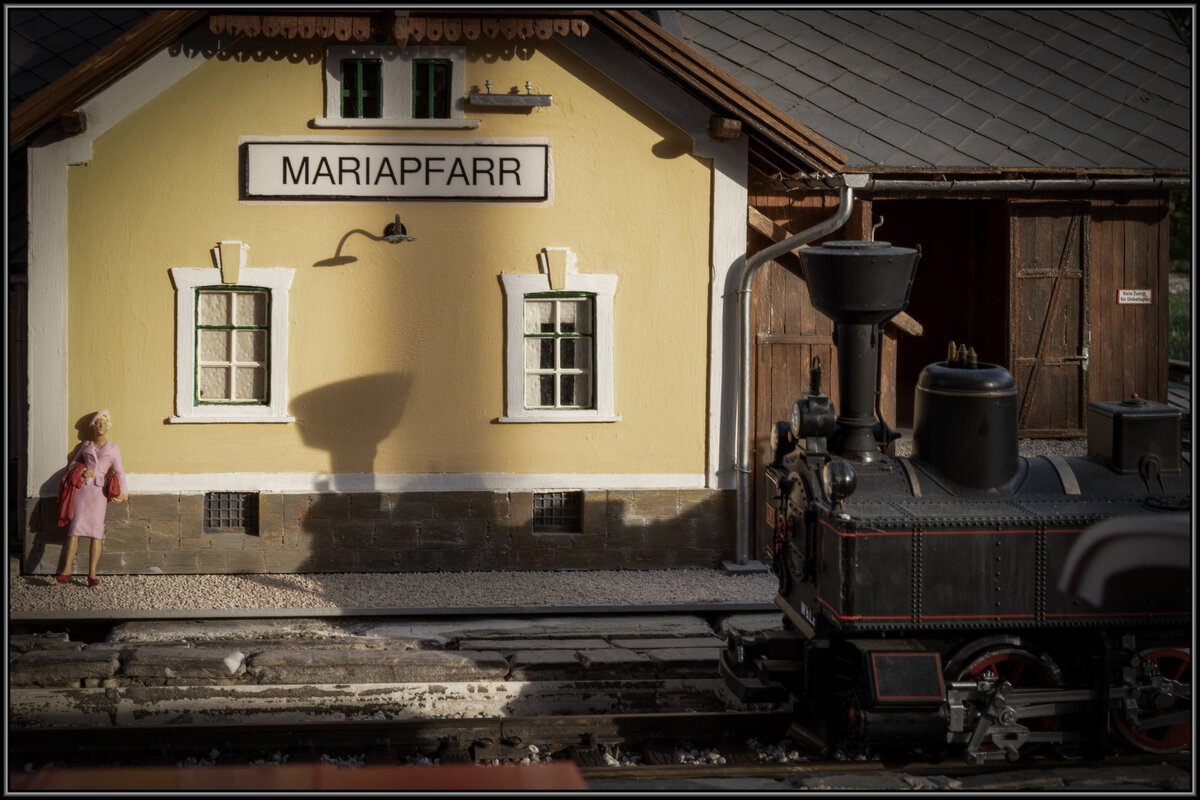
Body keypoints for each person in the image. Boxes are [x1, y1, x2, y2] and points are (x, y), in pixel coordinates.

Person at [57, 409, 126, 587]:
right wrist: (81, 470)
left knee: (96, 532)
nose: (101, 424)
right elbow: (72, 464)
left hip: (99, 492)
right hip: (83, 491)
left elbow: (119, 471)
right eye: (98, 422)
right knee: (75, 529)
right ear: (93, 426)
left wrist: (123, 492)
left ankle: (92, 573)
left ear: (108, 426)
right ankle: (66, 570)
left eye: (104, 422)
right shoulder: (86, 445)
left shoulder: (113, 448)